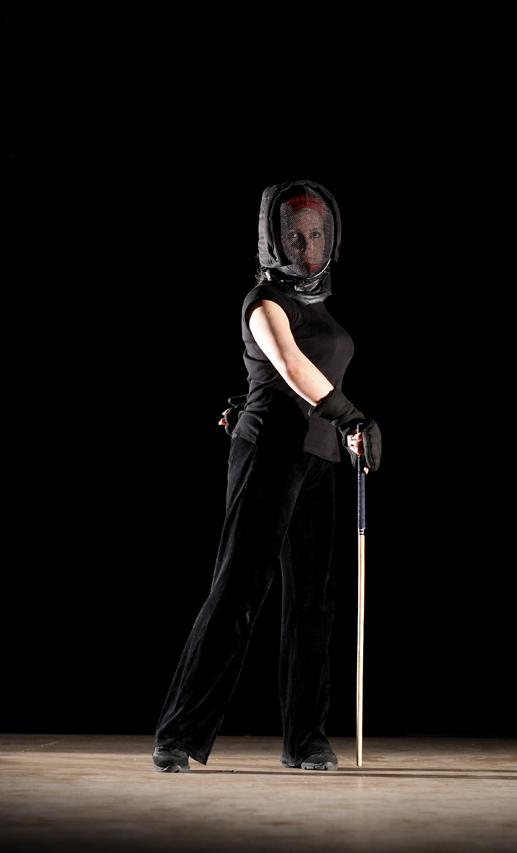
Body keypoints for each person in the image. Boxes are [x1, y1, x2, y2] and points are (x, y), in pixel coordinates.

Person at [152, 180, 381, 773]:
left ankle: (306, 741)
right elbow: (290, 364)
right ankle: (177, 736)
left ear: (330, 238)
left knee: (314, 604)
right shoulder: (264, 300)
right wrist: (351, 416)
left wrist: (346, 434)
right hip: (269, 456)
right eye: (294, 235)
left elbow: (308, 373)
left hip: (319, 458)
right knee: (238, 591)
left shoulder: (320, 306)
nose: (306, 245)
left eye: (316, 233)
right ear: (272, 240)